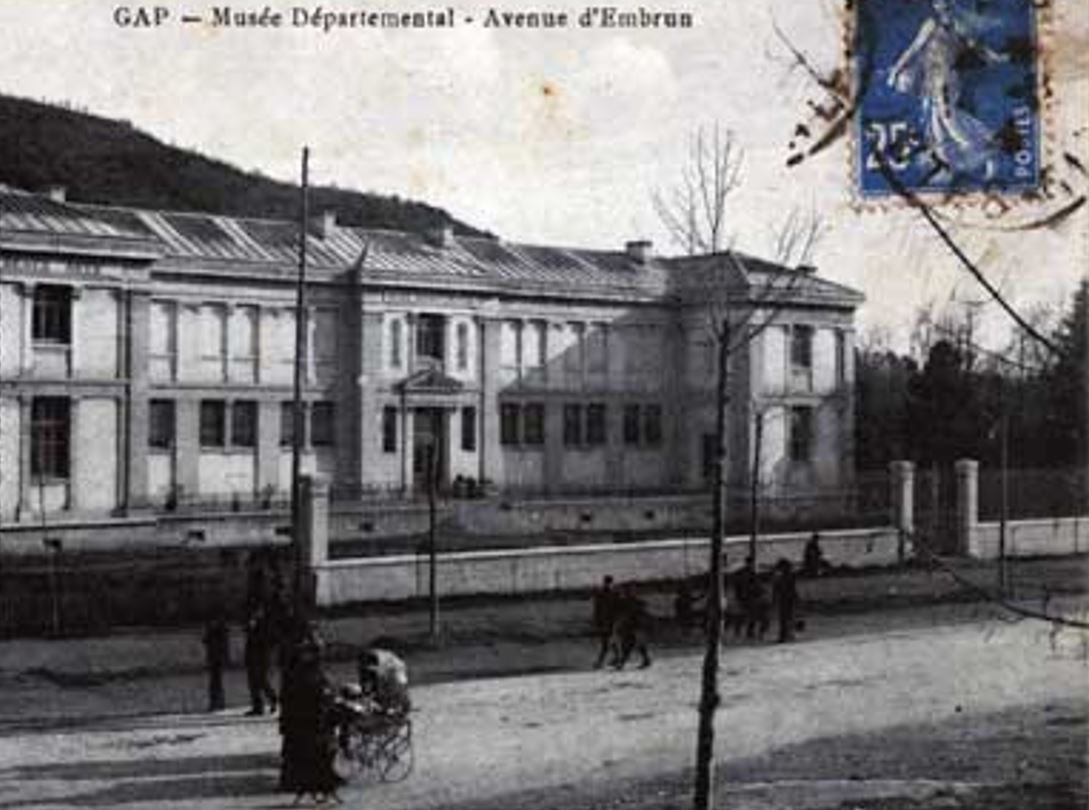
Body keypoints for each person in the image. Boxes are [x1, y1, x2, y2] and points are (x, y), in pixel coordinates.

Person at [279, 635, 342, 803]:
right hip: (310, 725)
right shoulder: (306, 675)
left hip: (306, 724)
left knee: (318, 753)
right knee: (319, 752)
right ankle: (319, 787)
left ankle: (320, 787)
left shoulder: (303, 673)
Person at [357, 646, 411, 717]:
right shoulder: (396, 664)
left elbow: (374, 680)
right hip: (380, 665)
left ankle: (383, 702)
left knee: (385, 687)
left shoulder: (394, 667)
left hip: (384, 666)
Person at [244, 607, 278, 716]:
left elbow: (266, 641)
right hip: (252, 657)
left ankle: (272, 699)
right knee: (253, 683)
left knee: (261, 681)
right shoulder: (253, 624)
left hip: (261, 658)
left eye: (257, 612)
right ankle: (258, 707)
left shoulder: (264, 625)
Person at [613, 584, 652, 670]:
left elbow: (622, 613)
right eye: (628, 591)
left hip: (634, 626)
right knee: (634, 645)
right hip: (631, 626)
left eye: (629, 591)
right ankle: (645, 660)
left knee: (631, 645)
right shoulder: (631, 602)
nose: (628, 593)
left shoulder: (630, 602)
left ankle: (622, 663)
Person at [734, 557, 770, 641]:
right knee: (759, 617)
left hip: (748, 598)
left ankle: (749, 633)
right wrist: (762, 591)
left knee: (750, 617)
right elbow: (753, 586)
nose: (754, 565)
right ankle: (756, 634)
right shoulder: (748, 573)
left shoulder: (743, 573)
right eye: (753, 563)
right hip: (750, 598)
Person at [202, 614, 230, 712]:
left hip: (217, 658)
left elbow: (208, 642)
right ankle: (218, 702)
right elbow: (205, 641)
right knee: (216, 682)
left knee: (215, 682)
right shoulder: (216, 631)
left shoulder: (219, 632)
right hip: (214, 658)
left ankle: (216, 703)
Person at [591, 575, 620, 668]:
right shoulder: (612, 593)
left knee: (606, 643)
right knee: (609, 641)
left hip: (609, 620)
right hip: (608, 620)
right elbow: (597, 608)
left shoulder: (606, 593)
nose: (608, 584)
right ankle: (616, 658)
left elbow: (597, 608)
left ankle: (600, 662)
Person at [772, 558, 799, 643]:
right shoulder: (790, 576)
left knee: (784, 618)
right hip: (788, 598)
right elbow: (792, 588)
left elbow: (776, 590)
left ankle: (784, 635)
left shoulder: (779, 577)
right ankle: (789, 634)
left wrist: (774, 600)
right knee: (788, 617)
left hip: (784, 599)